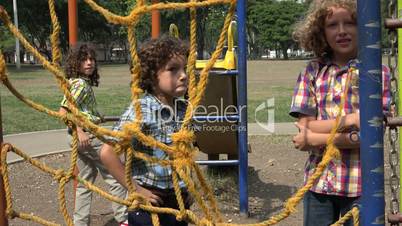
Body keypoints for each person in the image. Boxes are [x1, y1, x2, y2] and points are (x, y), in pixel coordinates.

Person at [290, 0, 390, 225]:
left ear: (364, 26)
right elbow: (304, 125)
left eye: (351, 23)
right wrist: (353, 119)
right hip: (319, 183)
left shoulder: (376, 73)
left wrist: (314, 138)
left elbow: (372, 136)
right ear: (321, 32)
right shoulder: (313, 72)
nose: (342, 31)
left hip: (361, 186)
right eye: (333, 24)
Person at [99, 35, 192, 226]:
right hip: (149, 201)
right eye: (173, 70)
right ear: (151, 76)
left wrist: (189, 188)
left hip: (178, 200)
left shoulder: (183, 109)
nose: (183, 75)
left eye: (184, 69)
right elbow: (107, 152)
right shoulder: (141, 110)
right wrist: (135, 189)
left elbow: (183, 155)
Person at [58, 44, 128, 226]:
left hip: (77, 137)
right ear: (76, 63)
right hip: (87, 137)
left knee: (84, 181)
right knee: (115, 175)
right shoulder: (80, 84)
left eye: (92, 59)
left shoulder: (76, 81)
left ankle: (79, 223)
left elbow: (80, 110)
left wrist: (96, 117)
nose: (89, 63)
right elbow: (64, 112)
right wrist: (80, 131)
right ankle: (124, 219)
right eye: (84, 60)